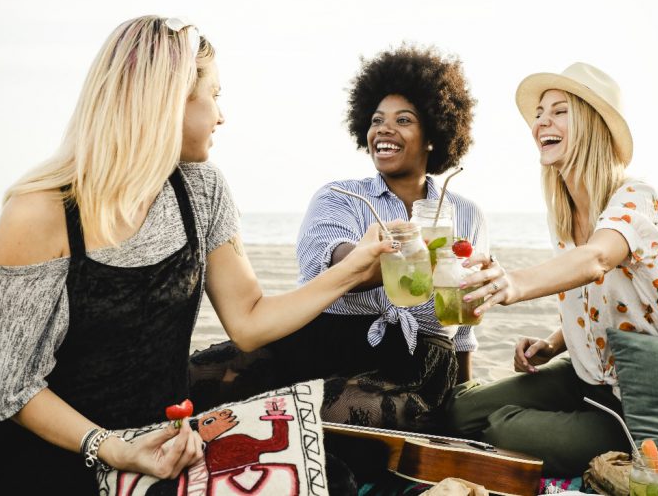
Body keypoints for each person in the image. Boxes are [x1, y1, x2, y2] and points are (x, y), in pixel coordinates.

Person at [0, 15, 394, 495]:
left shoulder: (201, 190)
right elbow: (7, 389)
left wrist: (350, 272)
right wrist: (110, 446)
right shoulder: (38, 212)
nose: (222, 116)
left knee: (330, 470)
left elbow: (249, 320)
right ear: (168, 101)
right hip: (58, 459)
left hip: (164, 451)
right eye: (215, 95)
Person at [190, 45, 486, 432]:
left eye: (404, 120)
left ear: (434, 132)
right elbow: (337, 262)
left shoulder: (465, 214)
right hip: (324, 340)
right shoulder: (339, 196)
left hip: (417, 361)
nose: (384, 129)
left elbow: (462, 327)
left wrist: (464, 402)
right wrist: (384, 257)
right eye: (377, 120)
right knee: (196, 380)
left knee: (326, 412)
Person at [446, 63, 658, 477]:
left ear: (592, 125)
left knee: (498, 430)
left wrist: (513, 283)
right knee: (461, 411)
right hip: (585, 377)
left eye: (560, 111)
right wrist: (553, 343)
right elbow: (602, 302)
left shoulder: (637, 199)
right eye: (540, 113)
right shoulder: (563, 212)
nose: (541, 121)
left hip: (644, 402)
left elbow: (596, 260)